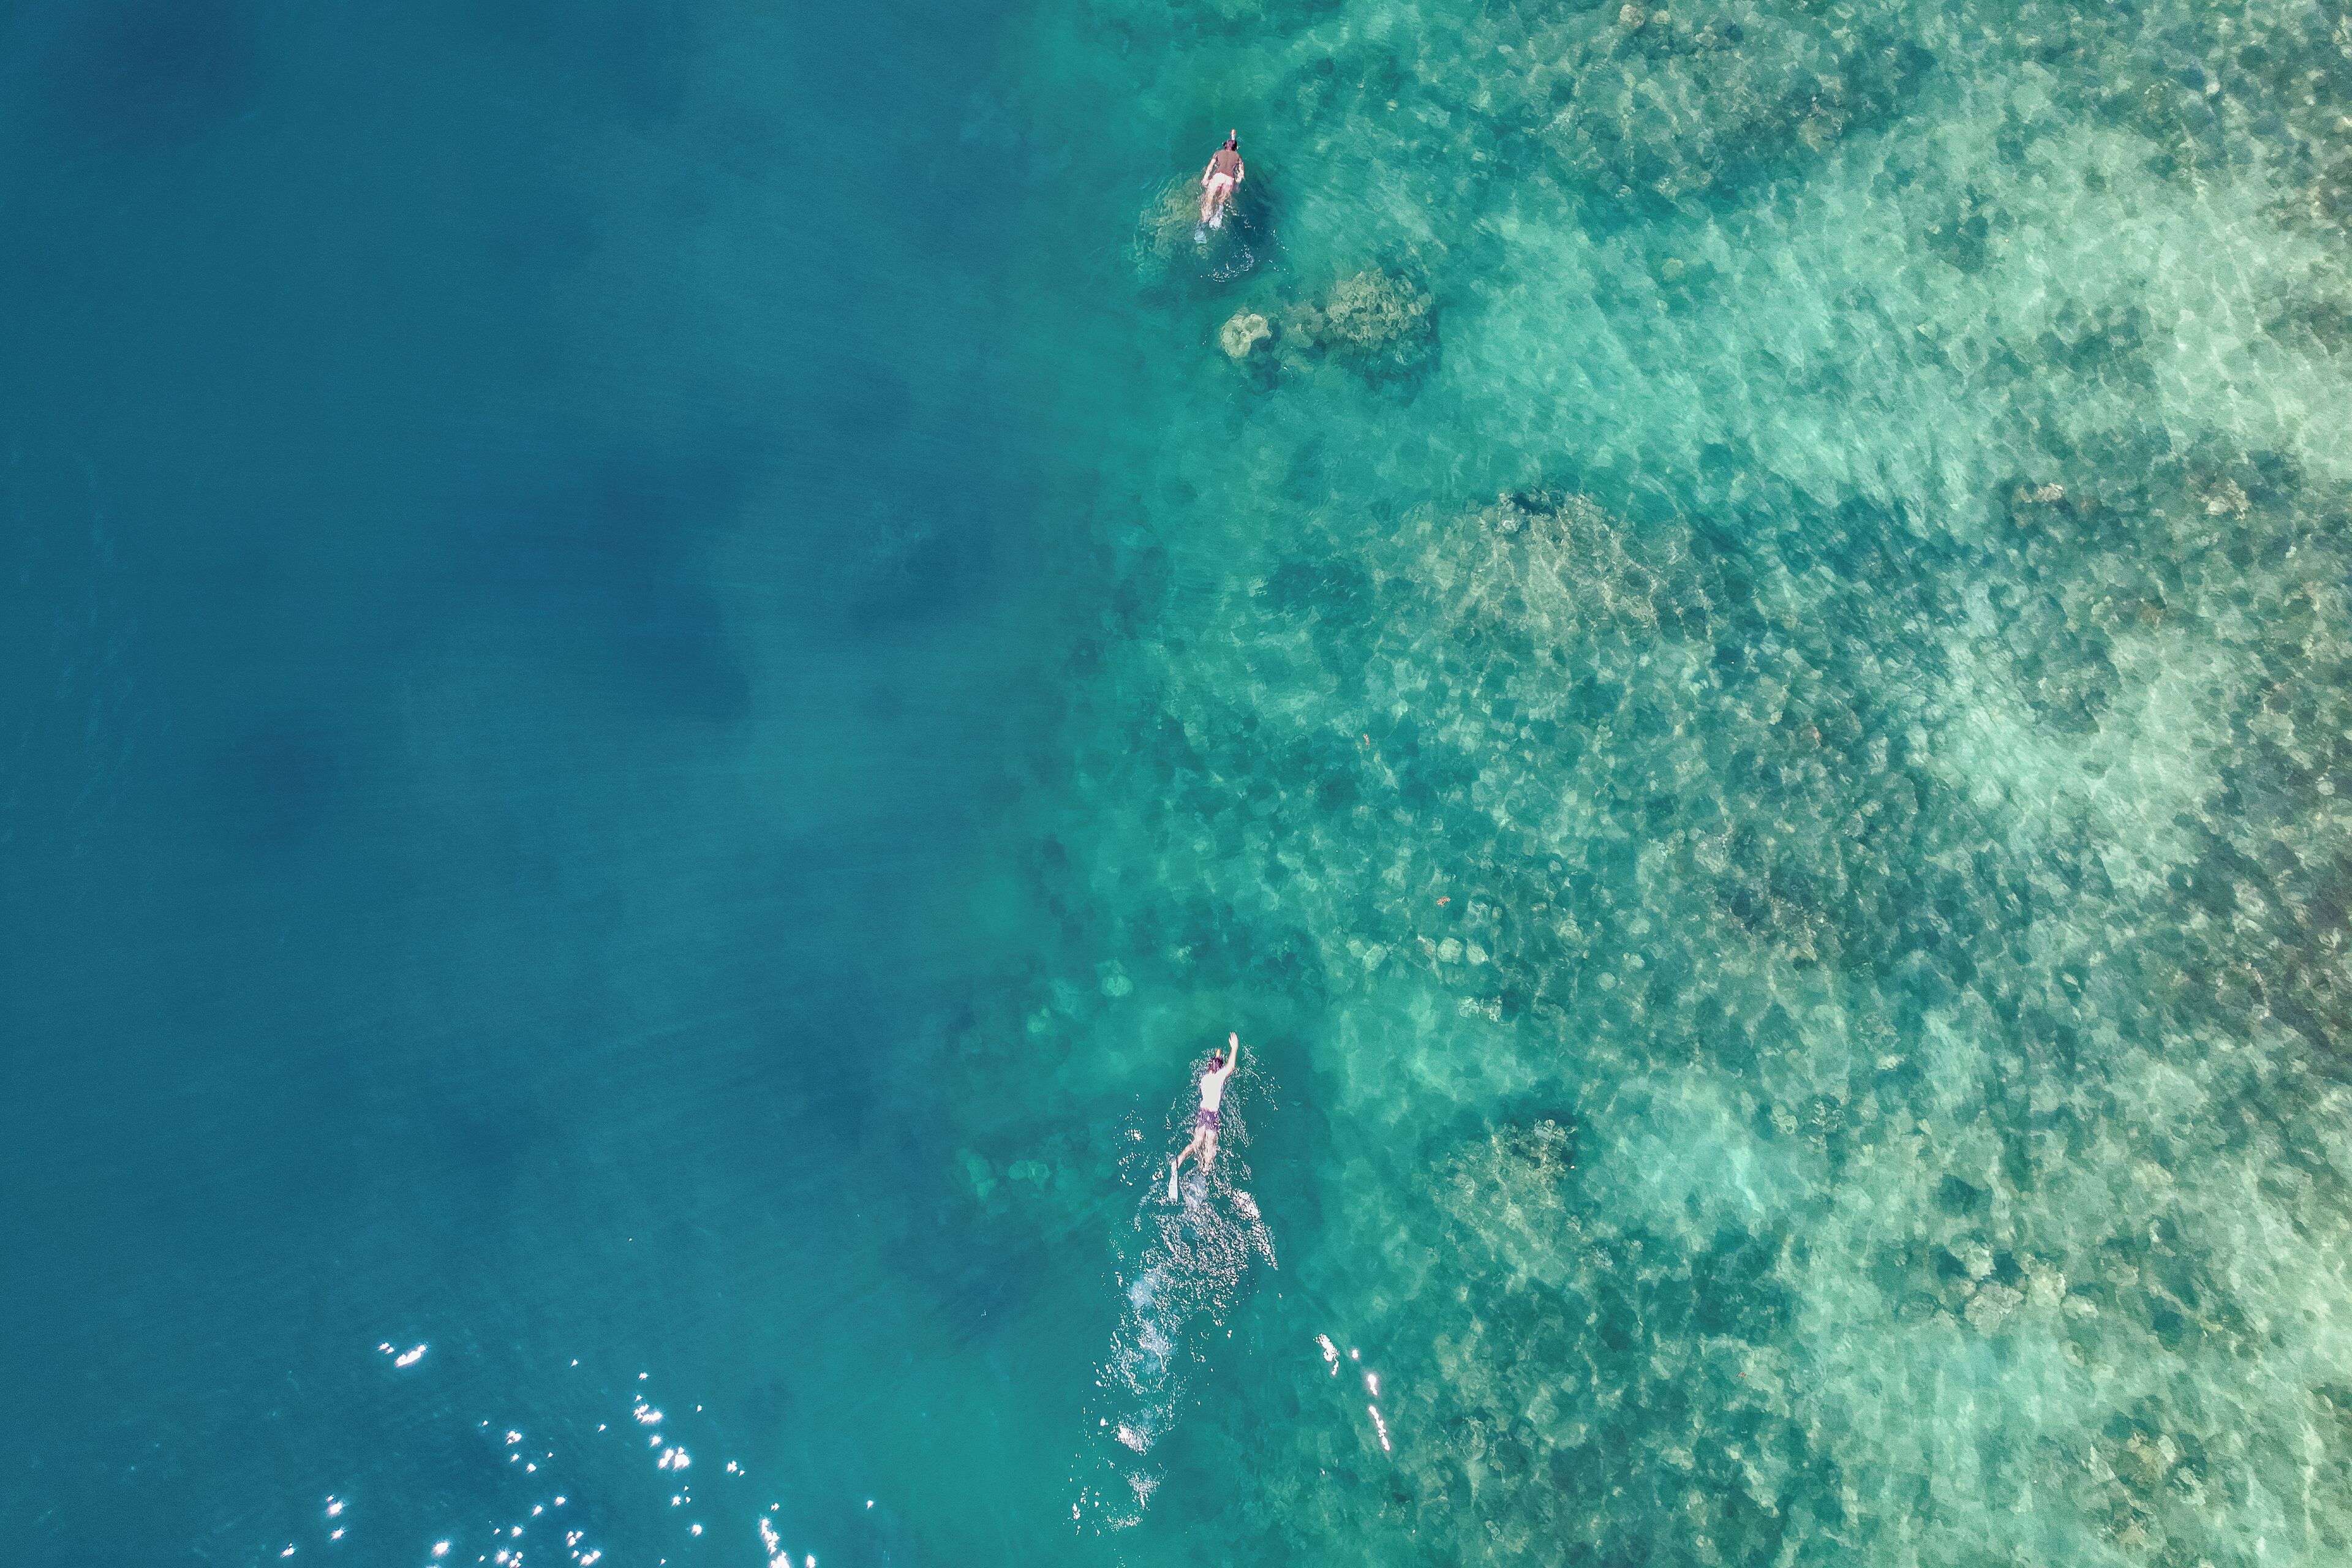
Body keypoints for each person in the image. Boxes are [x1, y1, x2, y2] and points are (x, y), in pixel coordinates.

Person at [1170, 1033, 1241, 1200]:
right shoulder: (1219, 1077)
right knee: (1210, 1151)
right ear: (1219, 1069)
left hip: (1202, 1114)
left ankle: (1178, 1161)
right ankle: (1203, 1174)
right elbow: (1231, 1067)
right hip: (1212, 1116)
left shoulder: (1205, 1079)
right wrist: (1234, 1048)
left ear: (1209, 1067)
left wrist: (1218, 1056)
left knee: (1196, 1143)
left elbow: (1216, 1064)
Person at [1199, 131, 1245, 227]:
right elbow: (1241, 173)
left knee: (1209, 199)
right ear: (1235, 148)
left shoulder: (1218, 153)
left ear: (1225, 146)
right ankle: (1217, 217)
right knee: (1221, 201)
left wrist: (1206, 178)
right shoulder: (1238, 157)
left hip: (1218, 177)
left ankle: (1203, 224)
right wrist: (1237, 185)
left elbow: (1210, 167)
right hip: (1229, 180)